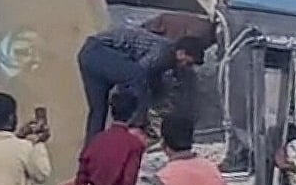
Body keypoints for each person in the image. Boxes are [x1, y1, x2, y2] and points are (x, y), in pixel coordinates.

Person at [78, 25, 207, 142]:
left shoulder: (166, 58)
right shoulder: (163, 52)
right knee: (137, 81)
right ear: (181, 52)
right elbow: (138, 77)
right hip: (101, 50)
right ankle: (135, 126)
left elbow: (152, 81)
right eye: (188, 63)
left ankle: (89, 153)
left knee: (98, 111)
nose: (185, 67)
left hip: (88, 54)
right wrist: (139, 116)